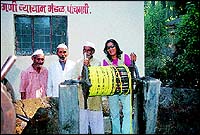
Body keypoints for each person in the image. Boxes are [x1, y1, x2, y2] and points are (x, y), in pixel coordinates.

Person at [102, 39, 139, 134]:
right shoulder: (105, 61)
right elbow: (106, 77)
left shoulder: (124, 57)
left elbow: (131, 70)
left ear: (116, 47)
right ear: (106, 50)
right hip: (112, 91)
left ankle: (126, 132)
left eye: (112, 46)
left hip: (125, 90)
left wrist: (133, 61)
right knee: (114, 114)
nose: (111, 49)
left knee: (127, 112)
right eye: (108, 47)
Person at [73, 41, 104, 134]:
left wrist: (88, 66)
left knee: (96, 125)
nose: (87, 52)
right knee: (83, 125)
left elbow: (96, 77)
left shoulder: (98, 62)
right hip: (82, 99)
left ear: (93, 51)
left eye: (89, 50)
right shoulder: (78, 62)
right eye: (85, 50)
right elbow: (74, 77)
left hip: (94, 98)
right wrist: (78, 78)